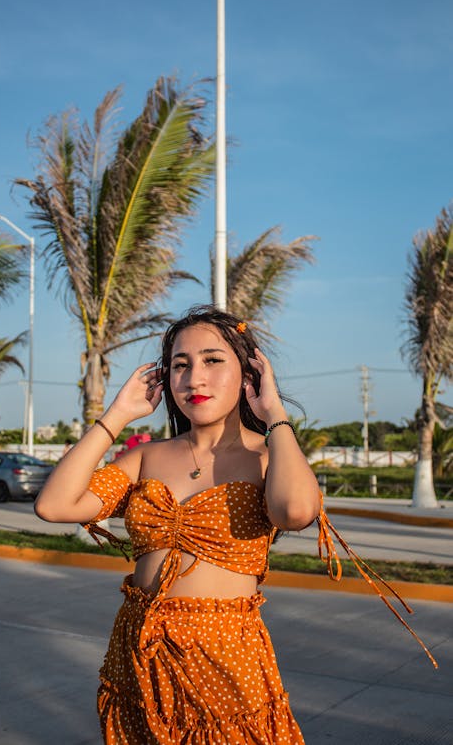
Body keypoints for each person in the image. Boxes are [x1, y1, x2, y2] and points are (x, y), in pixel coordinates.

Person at [34, 305, 436, 744]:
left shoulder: (267, 458)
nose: (194, 379)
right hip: (139, 652)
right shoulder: (144, 457)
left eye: (212, 360)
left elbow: (296, 511)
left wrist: (274, 413)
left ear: (248, 372)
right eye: (180, 366)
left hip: (225, 656)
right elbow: (55, 505)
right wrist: (115, 417)